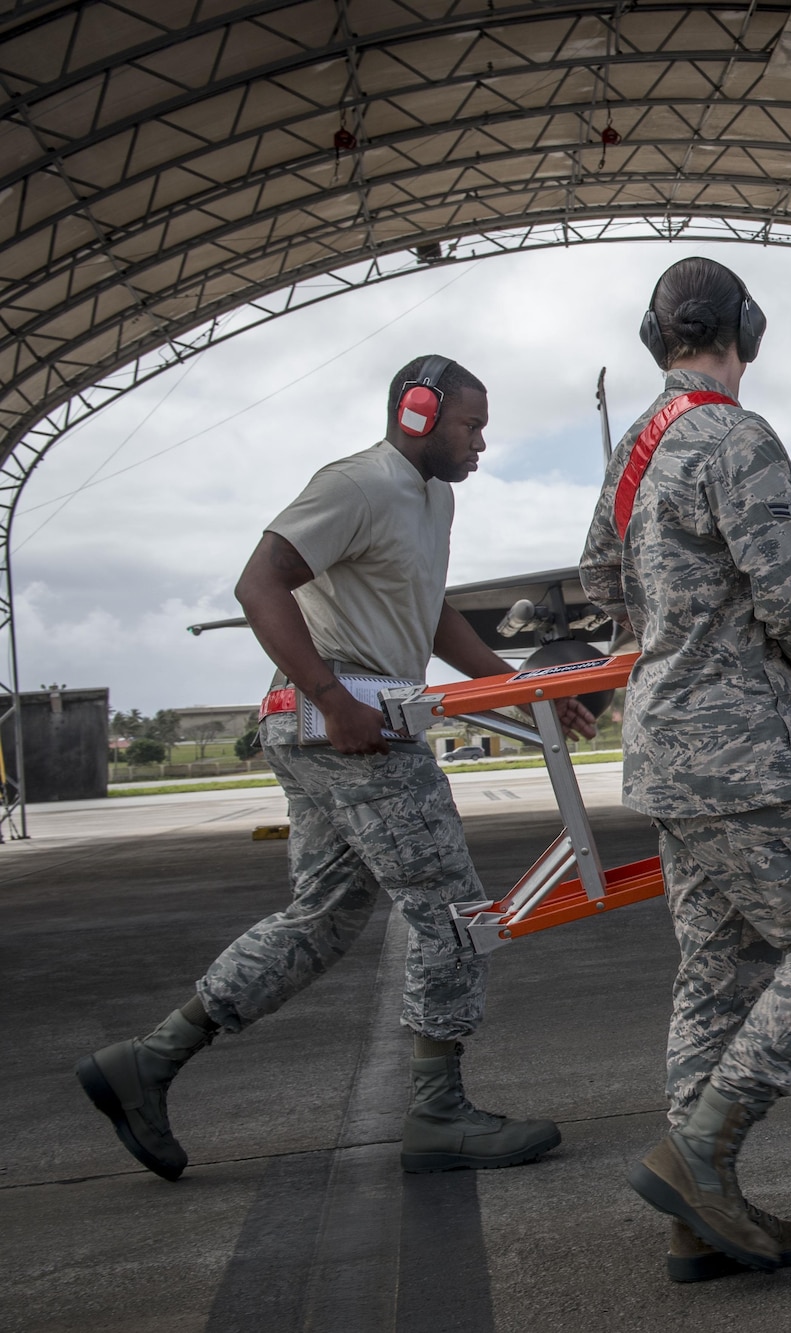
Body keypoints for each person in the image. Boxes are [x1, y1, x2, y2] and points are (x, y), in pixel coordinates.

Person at [76, 355, 596, 1181]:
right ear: (418, 413)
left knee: (322, 916)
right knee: (453, 907)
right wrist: (333, 695)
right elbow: (258, 584)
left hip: (342, 723)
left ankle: (148, 1060)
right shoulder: (357, 484)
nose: (483, 442)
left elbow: (430, 617)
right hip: (344, 724)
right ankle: (436, 1111)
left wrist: (523, 688)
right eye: (471, 424)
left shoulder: (434, 496)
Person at [579, 257, 791, 1281]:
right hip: (740, 746)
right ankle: (698, 1155)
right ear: (745, 328)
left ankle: (698, 1218)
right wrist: (784, 659)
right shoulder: (734, 435)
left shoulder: (634, 448)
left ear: (651, 338)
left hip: (661, 746)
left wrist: (672, 633)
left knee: (713, 971)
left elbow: (593, 579)